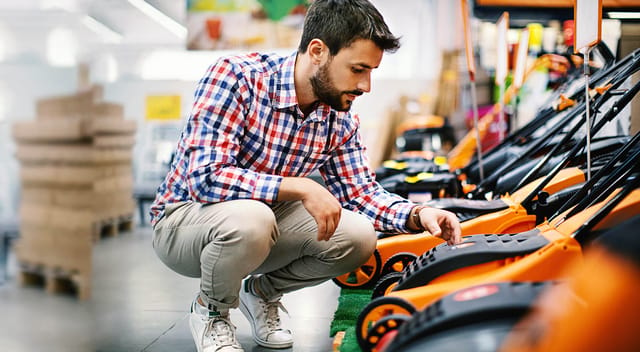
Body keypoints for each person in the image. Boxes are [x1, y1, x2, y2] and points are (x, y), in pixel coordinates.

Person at [149, 0, 462, 351]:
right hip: (183, 222)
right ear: (317, 51)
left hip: (261, 220)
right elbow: (204, 178)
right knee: (252, 218)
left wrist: (419, 214)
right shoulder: (237, 77)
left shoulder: (338, 118)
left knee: (358, 236)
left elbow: (361, 193)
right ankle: (212, 311)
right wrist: (299, 187)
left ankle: (261, 293)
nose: (366, 85)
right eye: (358, 69)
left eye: (371, 71)